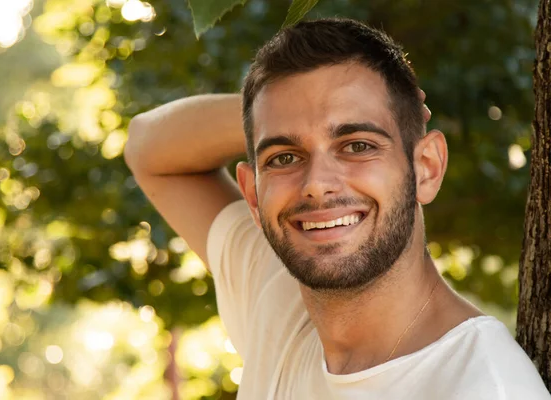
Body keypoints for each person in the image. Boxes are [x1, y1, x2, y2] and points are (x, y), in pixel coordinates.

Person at [125, 18, 550, 399]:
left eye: (357, 146)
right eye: (284, 157)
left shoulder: (484, 386)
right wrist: (269, 111)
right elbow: (147, 147)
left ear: (426, 168)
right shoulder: (278, 301)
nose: (317, 185)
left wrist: (290, 119)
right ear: (252, 196)